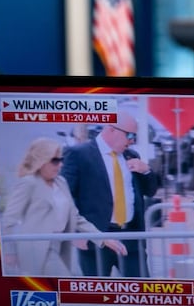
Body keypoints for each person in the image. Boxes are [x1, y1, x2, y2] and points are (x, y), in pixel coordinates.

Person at [0, 137, 127, 277]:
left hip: (58, 247)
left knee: (53, 292)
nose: (60, 165)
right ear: (41, 161)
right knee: (63, 286)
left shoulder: (61, 182)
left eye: (61, 160)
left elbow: (76, 217)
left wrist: (102, 239)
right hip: (35, 249)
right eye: (55, 160)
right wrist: (9, 252)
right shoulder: (28, 184)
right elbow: (8, 221)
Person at [61, 110, 160, 277]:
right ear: (111, 129)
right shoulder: (79, 154)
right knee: (97, 296)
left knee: (143, 292)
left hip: (130, 237)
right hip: (95, 237)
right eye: (129, 135)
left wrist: (146, 170)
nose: (132, 141)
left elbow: (151, 190)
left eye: (134, 136)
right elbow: (65, 197)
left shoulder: (131, 155)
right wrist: (75, 233)